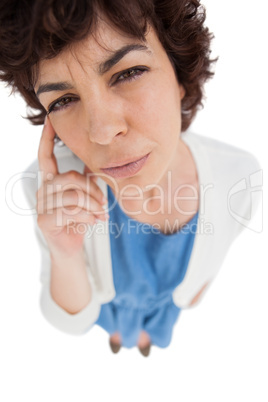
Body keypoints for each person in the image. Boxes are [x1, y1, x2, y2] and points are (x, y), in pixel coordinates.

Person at [0, 0, 261, 357]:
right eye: (63, 100)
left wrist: (194, 292)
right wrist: (64, 252)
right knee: (117, 327)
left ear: (179, 75)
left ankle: (144, 337)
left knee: (155, 326)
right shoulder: (52, 190)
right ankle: (123, 336)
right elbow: (73, 320)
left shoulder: (239, 176)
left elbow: (203, 274)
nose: (103, 132)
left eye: (128, 73)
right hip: (106, 302)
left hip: (165, 299)